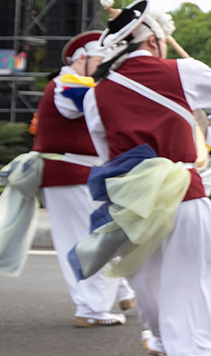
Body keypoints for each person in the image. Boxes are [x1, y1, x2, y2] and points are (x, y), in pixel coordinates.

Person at [84, 0, 211, 356]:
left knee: (147, 273)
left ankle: (160, 337)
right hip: (181, 189)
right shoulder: (181, 72)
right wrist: (196, 75)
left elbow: (102, 148)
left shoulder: (97, 93)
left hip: (131, 195)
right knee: (206, 270)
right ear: (155, 40)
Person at [32, 31, 135, 326]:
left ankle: (120, 291)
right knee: (85, 240)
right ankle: (90, 308)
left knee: (104, 236)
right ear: (81, 59)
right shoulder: (67, 84)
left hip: (82, 174)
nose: (107, 66)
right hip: (71, 173)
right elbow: (88, 104)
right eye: (102, 60)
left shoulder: (81, 84)